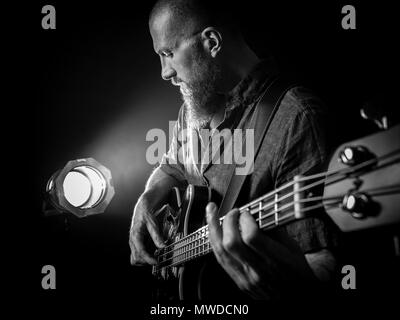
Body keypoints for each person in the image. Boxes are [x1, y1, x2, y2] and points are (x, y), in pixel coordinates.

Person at [129, 0, 339, 301]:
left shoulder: (297, 118)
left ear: (211, 42)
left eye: (168, 53)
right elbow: (171, 166)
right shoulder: (193, 110)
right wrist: (146, 199)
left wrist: (286, 288)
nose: (164, 72)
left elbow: (325, 265)